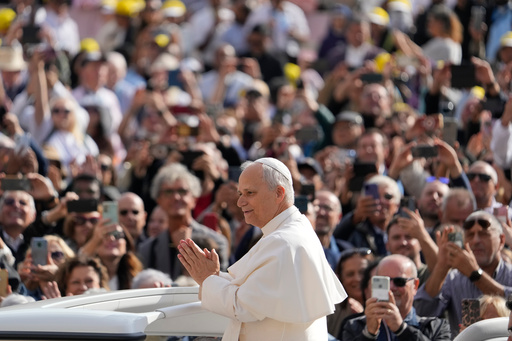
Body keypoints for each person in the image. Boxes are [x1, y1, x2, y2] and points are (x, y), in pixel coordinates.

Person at [177, 157, 346, 340]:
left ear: (279, 193)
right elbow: (256, 290)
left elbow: (242, 306)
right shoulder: (288, 230)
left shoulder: (285, 242)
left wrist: (207, 279)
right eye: (240, 193)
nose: (240, 202)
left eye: (249, 193)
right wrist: (215, 277)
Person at [414, 211, 512, 338]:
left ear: (501, 240)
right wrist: (442, 267)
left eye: (484, 234)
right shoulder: (454, 278)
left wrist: (476, 275)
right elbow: (422, 312)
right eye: (470, 235)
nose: (476, 240)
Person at [342, 254, 451, 341]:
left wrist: (401, 329)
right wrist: (369, 334)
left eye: (399, 281)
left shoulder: (436, 327)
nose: (391, 287)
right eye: (385, 281)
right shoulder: (354, 326)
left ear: (415, 286)